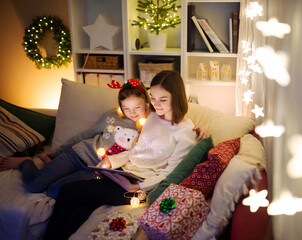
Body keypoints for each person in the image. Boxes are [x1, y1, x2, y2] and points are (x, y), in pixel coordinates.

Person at [43, 70, 199, 240]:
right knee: (76, 212)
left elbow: (170, 174)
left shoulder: (186, 133)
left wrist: (137, 188)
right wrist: (110, 161)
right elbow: (136, 150)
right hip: (123, 172)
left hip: (139, 186)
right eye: (153, 98)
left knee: (68, 191)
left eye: (163, 99)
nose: (156, 104)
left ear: (177, 97)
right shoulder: (152, 117)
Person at [0, 80, 151, 198]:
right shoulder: (112, 116)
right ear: (121, 106)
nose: (132, 113)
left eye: (137, 107)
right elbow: (86, 134)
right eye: (126, 108)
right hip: (77, 155)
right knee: (33, 186)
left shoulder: (149, 127)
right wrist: (55, 153)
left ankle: (49, 167)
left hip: (93, 170)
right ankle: (26, 163)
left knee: (54, 192)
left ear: (146, 103)